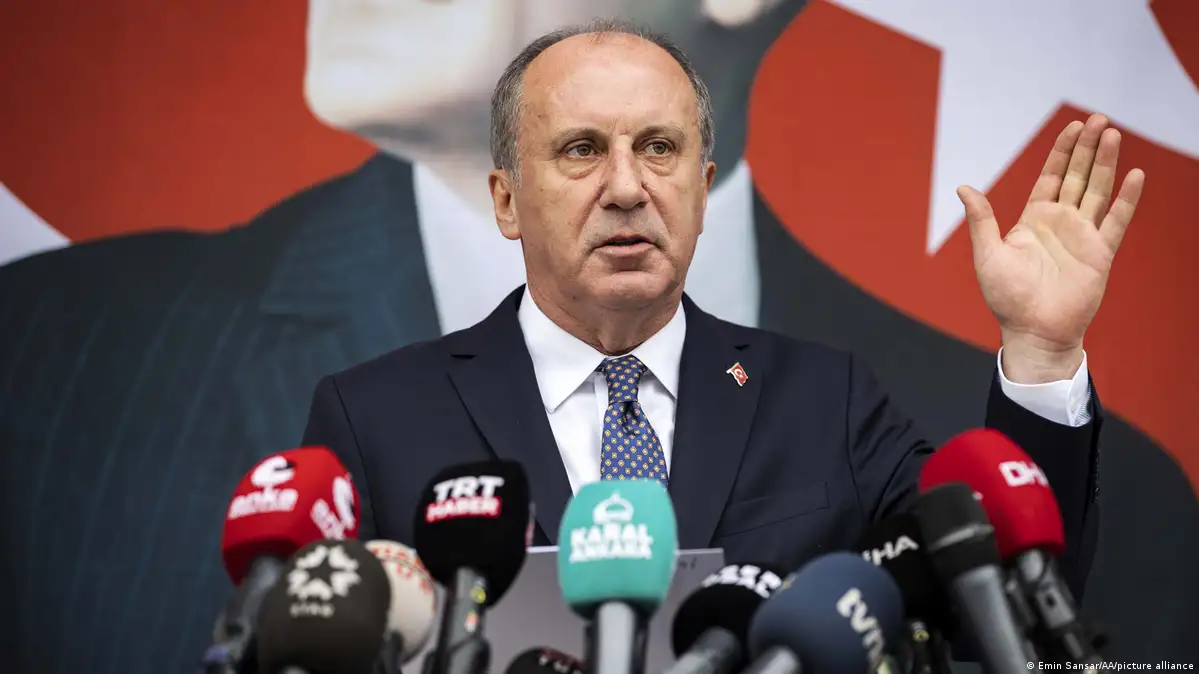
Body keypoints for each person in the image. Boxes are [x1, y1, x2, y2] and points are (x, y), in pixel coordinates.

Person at [303, 20, 1143, 599]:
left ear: (701, 192)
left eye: (658, 148)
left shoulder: (825, 401)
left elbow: (1006, 599)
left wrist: (1040, 350)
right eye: (581, 150)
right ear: (506, 200)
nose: (626, 188)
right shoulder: (375, 417)